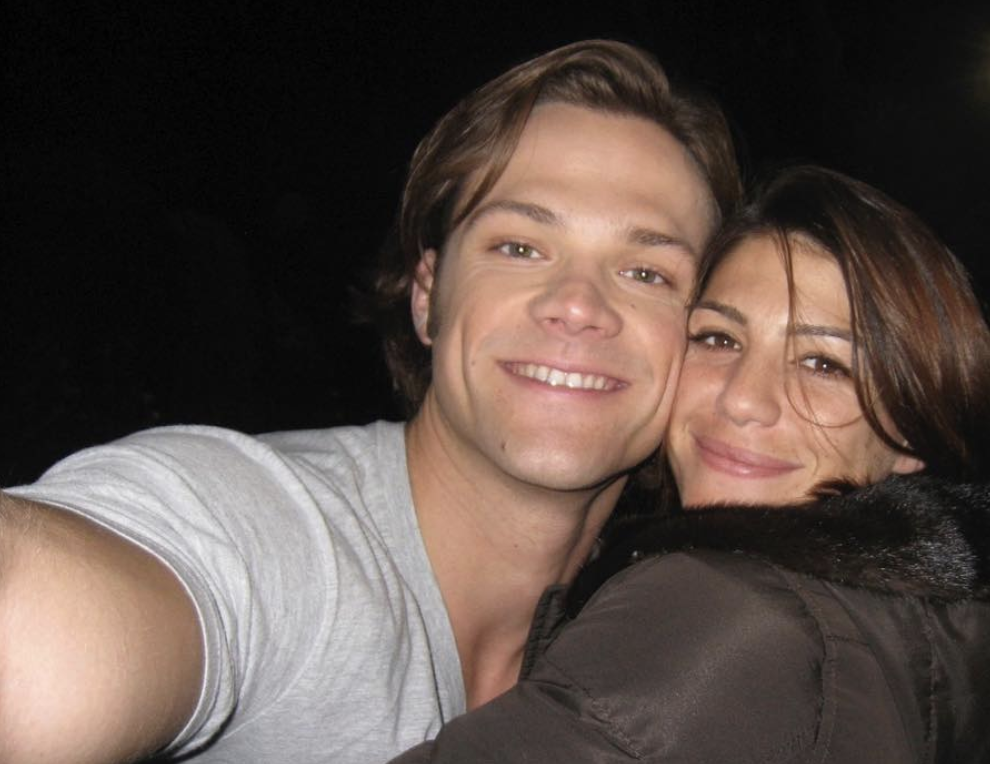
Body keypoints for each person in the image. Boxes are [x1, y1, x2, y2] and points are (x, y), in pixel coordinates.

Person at [0, 40, 740, 764]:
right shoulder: (275, 533)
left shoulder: (671, 642)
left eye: (647, 273)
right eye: (519, 247)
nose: (577, 305)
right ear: (427, 297)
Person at [390, 165, 990, 763]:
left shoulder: (723, 612)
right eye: (718, 338)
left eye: (824, 364)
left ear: (910, 434)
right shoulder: (967, 627)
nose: (742, 400)